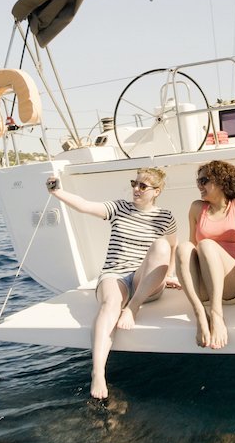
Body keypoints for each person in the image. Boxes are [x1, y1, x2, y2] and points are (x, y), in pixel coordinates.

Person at [45, 168, 177, 399]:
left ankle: (132, 309)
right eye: (134, 183)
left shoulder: (165, 217)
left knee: (162, 246)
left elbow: (173, 247)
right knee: (110, 303)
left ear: (156, 191)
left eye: (142, 186)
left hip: (145, 279)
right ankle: (98, 372)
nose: (136, 189)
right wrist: (57, 192)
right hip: (115, 274)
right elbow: (84, 205)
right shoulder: (119, 208)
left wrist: (170, 274)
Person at [175, 160, 235, 350]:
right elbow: (191, 247)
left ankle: (216, 315)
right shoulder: (197, 208)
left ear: (221, 180)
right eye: (198, 181)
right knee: (184, 247)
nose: (199, 186)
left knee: (206, 244)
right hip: (206, 286)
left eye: (204, 180)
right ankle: (200, 313)